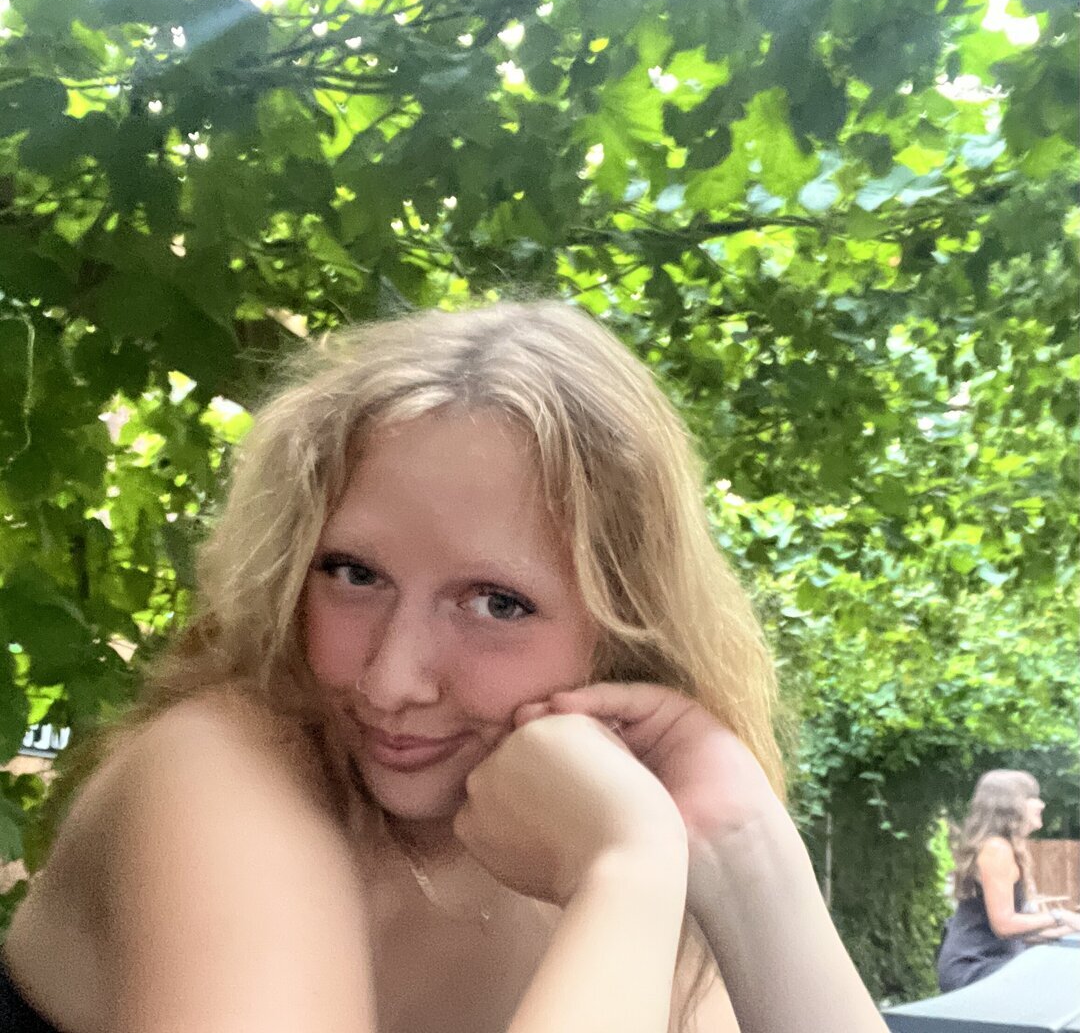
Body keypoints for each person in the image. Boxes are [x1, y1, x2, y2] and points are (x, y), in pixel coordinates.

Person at [2, 302, 886, 1033]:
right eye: (354, 574)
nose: (391, 681)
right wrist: (627, 872)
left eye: (496, 603)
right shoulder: (218, 770)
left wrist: (741, 848)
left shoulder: (602, 817)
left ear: (625, 629)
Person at [937, 769, 1080, 992]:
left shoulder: (1007, 848)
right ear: (1010, 805)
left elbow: (1014, 931)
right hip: (975, 966)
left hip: (996, 960)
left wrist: (1062, 930)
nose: (1041, 804)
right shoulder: (996, 849)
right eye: (1032, 797)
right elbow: (1004, 925)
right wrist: (1060, 916)